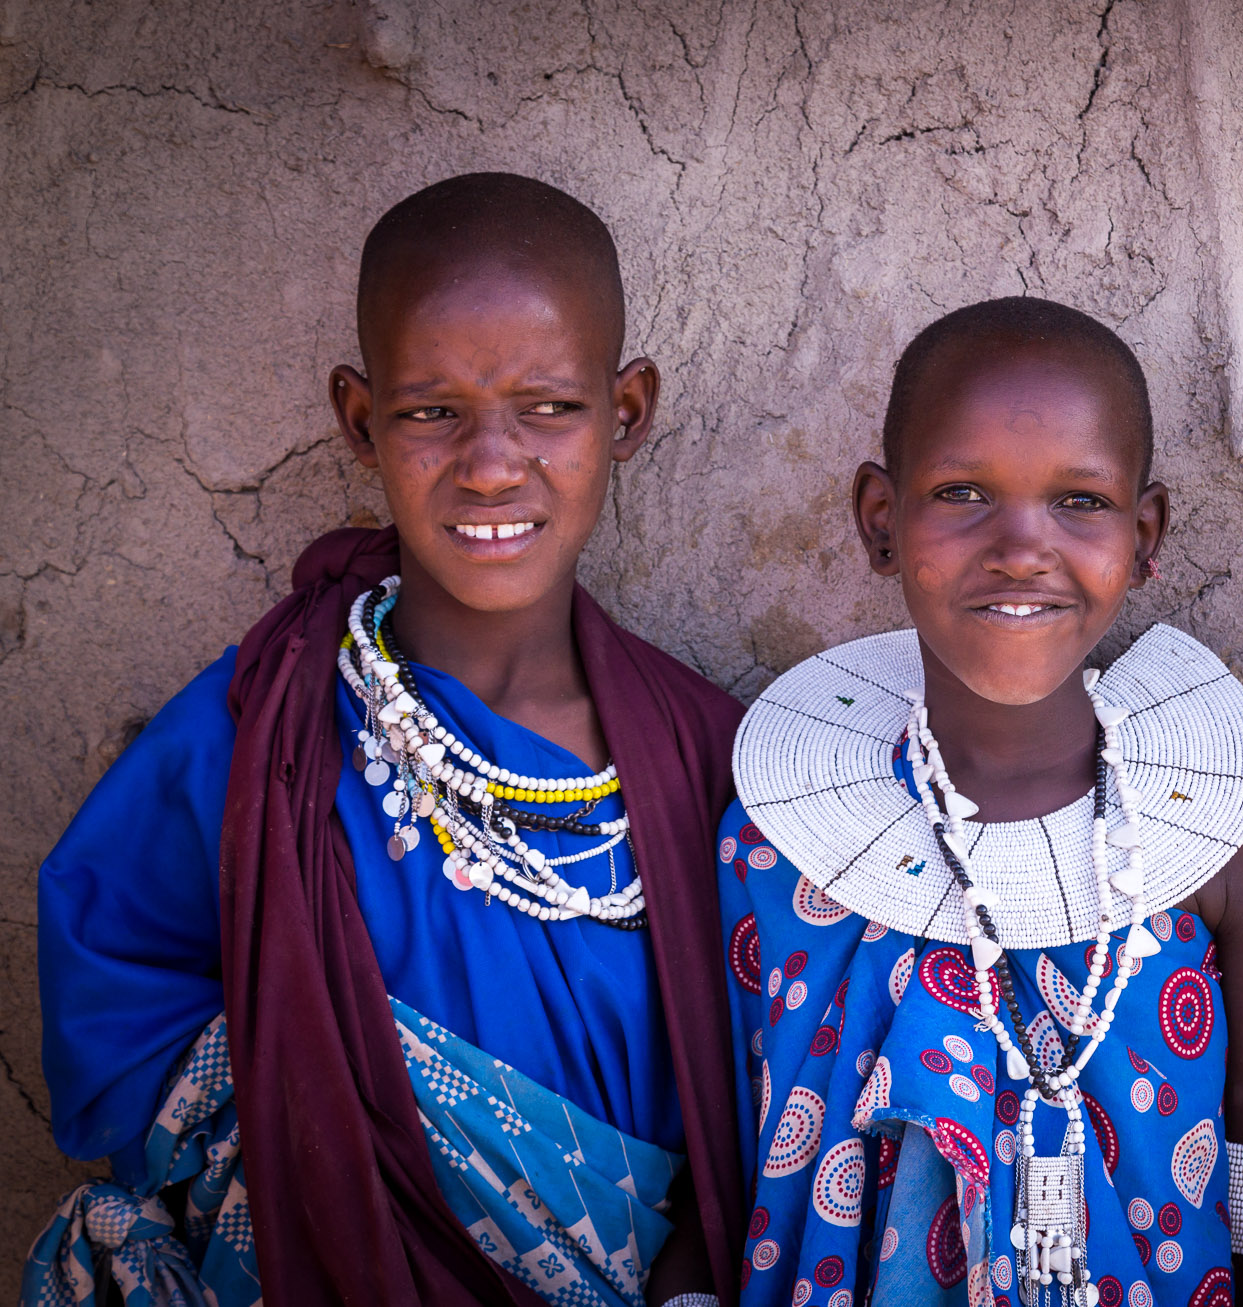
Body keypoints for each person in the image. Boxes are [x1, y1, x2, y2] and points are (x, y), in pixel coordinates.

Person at [29, 173, 745, 1307]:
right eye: (430, 410)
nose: (493, 461)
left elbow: (750, 1110)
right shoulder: (265, 732)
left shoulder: (713, 764)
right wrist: (301, 1114)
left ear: (628, 411)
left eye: (548, 405)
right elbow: (116, 998)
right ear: (361, 422)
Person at [716, 297, 1243, 1307]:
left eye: (1078, 500)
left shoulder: (1231, 831)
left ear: (1145, 530)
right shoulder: (778, 843)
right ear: (879, 522)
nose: (1022, 545)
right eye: (961, 491)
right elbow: (735, 1129)